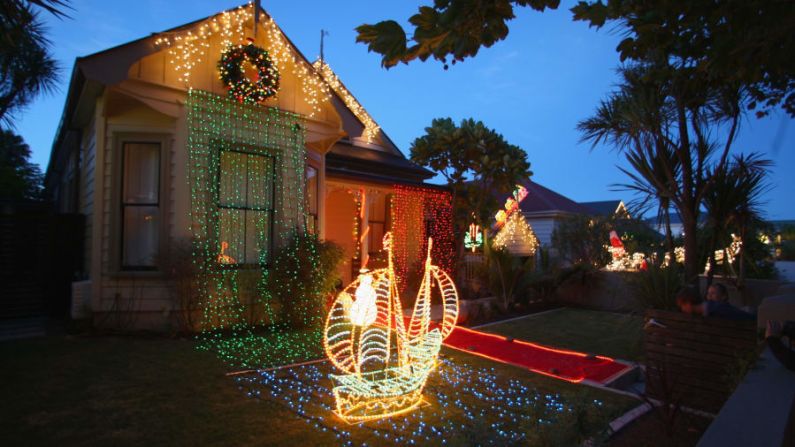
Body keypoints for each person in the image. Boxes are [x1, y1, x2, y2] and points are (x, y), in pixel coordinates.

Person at [676, 286, 755, 321]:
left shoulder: (717, 309)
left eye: (682, 305)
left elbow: (744, 316)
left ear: (688, 303)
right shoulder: (707, 311)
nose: (682, 309)